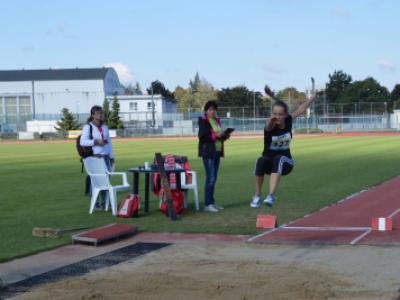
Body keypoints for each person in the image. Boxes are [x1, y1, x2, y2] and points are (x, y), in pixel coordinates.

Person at [250, 86, 316, 208]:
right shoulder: (270, 125)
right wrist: (271, 118)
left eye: (281, 114)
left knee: (279, 158)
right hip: (269, 164)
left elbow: (302, 108)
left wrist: (313, 97)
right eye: (275, 114)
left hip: (286, 163)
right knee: (260, 160)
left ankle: (271, 195)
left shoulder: (289, 120)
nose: (278, 117)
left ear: (286, 115)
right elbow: (269, 125)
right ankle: (257, 195)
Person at [198, 100, 231, 212]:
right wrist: (216, 135)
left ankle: (211, 201)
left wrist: (225, 135)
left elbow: (218, 136)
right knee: (210, 178)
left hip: (217, 151)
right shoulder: (203, 121)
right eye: (210, 109)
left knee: (214, 178)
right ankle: (208, 204)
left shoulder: (216, 120)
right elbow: (202, 137)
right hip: (208, 153)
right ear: (206, 110)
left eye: (214, 109)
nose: (212, 111)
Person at [80, 105, 115, 209]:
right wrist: (95, 141)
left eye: (102, 113)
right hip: (95, 158)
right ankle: (95, 204)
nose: (101, 115)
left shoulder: (105, 127)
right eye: (99, 113)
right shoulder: (88, 127)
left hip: (105, 158)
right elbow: (83, 142)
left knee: (106, 182)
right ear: (93, 115)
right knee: (96, 182)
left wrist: (112, 156)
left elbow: (109, 143)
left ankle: (104, 203)